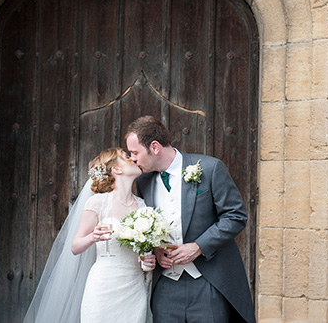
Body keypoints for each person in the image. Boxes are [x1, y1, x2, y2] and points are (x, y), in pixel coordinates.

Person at [125, 116, 255, 323]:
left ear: (155, 147)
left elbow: (235, 216)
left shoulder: (210, 168)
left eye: (135, 152)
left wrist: (198, 246)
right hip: (165, 287)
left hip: (208, 282)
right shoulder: (143, 181)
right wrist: (157, 250)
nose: (132, 159)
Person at [23, 148, 156, 323]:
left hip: (134, 287)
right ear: (116, 170)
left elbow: (142, 250)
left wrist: (146, 260)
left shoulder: (143, 206)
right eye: (126, 157)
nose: (132, 158)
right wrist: (93, 236)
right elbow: (75, 246)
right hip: (103, 286)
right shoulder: (98, 202)